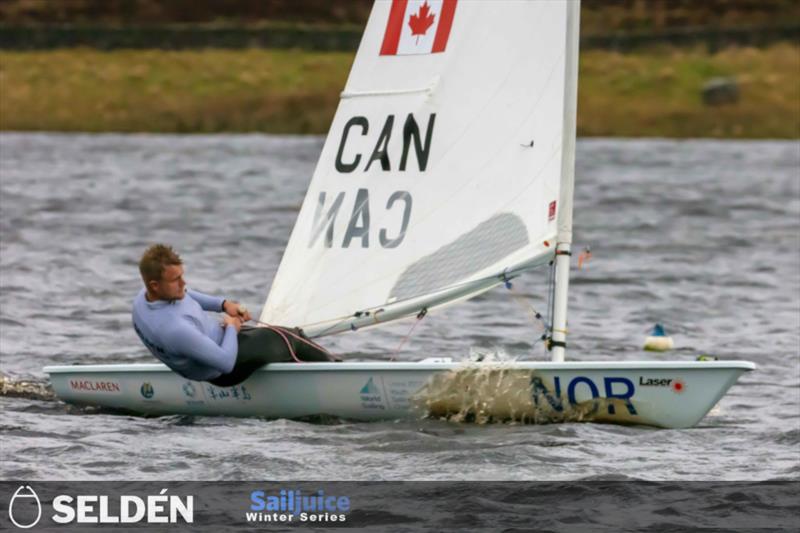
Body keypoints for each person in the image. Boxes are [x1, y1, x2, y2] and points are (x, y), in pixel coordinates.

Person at [132, 244, 334, 387]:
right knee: (292, 338)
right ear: (155, 285)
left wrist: (224, 305)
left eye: (182, 276)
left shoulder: (143, 299)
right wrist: (231, 328)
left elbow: (188, 295)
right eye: (176, 279)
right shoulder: (174, 330)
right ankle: (338, 374)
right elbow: (225, 363)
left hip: (224, 341)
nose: (183, 283)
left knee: (274, 341)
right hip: (230, 366)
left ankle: (301, 381)